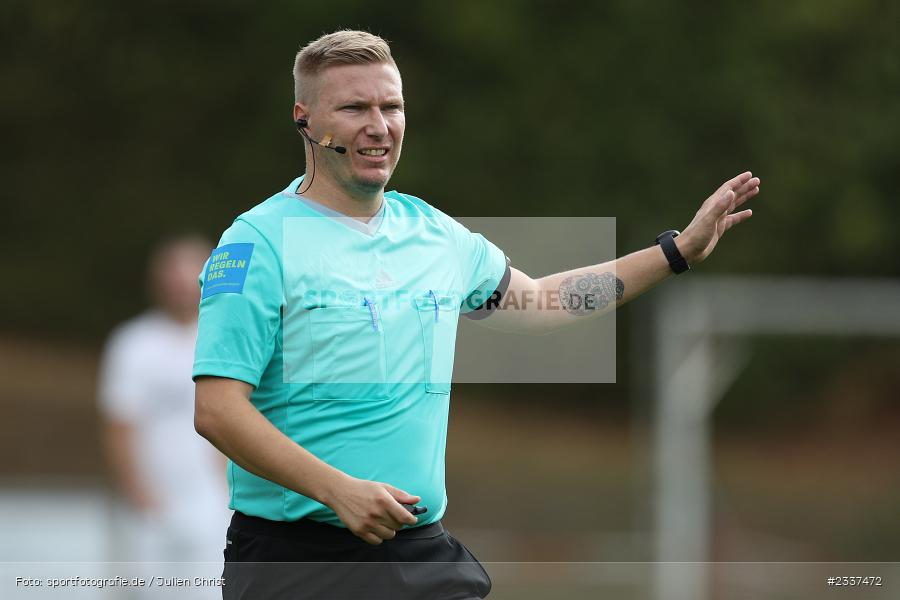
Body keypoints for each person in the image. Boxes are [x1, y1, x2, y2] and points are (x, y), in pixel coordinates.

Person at [193, 30, 761, 600]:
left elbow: (542, 301)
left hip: (420, 556)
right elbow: (217, 411)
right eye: (354, 108)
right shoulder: (255, 243)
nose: (379, 125)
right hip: (297, 563)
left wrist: (675, 253)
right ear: (305, 119)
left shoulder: (436, 234)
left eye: (391, 107)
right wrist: (338, 491)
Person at [99, 235, 231, 598]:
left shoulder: (223, 338)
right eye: (172, 274)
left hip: (213, 501)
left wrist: (226, 489)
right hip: (150, 504)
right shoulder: (133, 343)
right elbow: (120, 424)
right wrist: (138, 493)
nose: (180, 285)